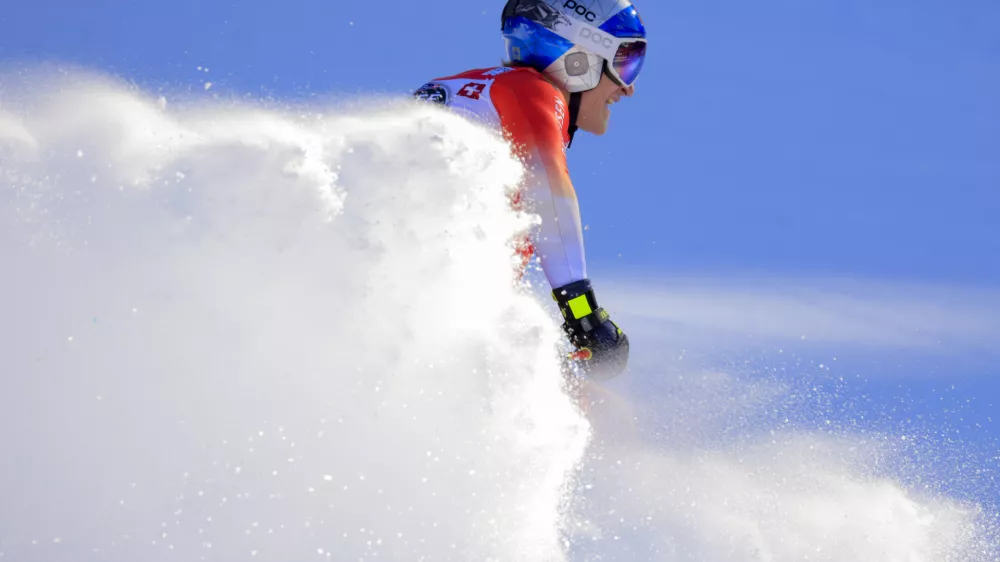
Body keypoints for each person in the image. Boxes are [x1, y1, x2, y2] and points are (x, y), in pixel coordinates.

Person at [413, 0, 646, 380]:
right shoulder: (532, 90)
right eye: (624, 61)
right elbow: (547, 189)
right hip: (433, 307)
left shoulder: (468, 85)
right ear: (578, 59)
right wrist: (584, 316)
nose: (628, 87)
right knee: (602, 407)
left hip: (408, 294)